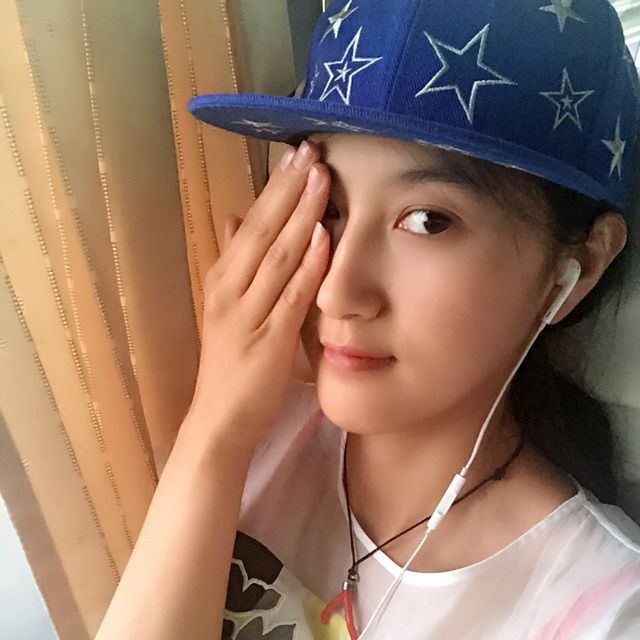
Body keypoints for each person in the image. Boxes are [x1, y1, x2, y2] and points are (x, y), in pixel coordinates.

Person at [95, 1, 640, 638]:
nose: (337, 292)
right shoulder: (241, 441)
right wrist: (215, 432)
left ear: (578, 267)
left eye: (428, 221)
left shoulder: (602, 610)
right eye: (327, 206)